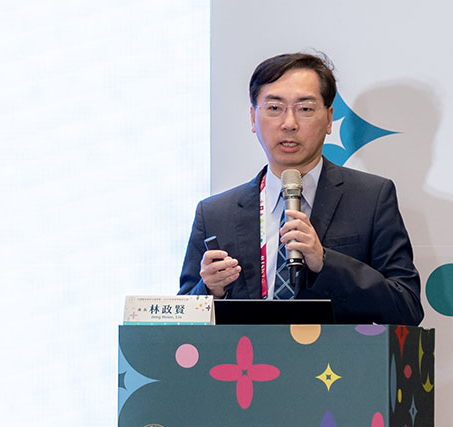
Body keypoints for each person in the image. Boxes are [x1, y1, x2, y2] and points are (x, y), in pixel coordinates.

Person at [178, 52, 423, 325]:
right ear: (253, 118)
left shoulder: (371, 198)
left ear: (329, 119)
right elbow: (181, 321)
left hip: (337, 353)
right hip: (246, 353)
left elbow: (406, 306)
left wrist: (326, 262)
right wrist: (209, 290)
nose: (289, 123)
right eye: (274, 108)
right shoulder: (215, 214)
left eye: (305, 109)